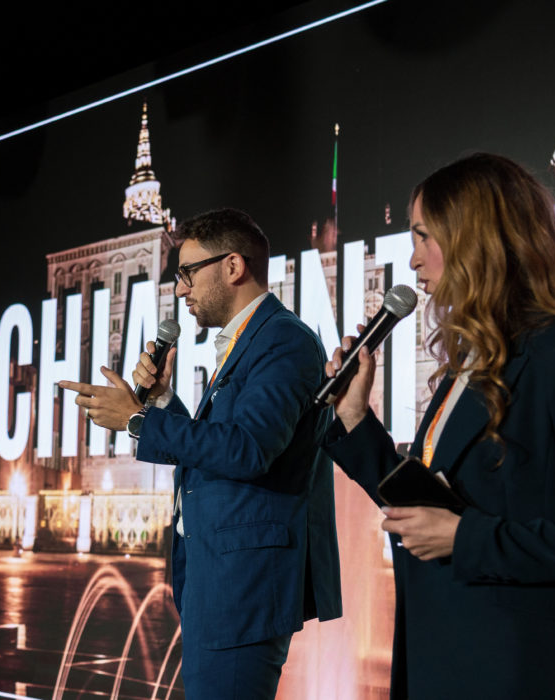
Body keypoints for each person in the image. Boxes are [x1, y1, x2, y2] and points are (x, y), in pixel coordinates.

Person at [323, 153, 555, 700]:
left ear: (475, 239)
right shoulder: (470, 360)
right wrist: (354, 416)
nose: (412, 259)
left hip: (516, 670)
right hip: (444, 659)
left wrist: (465, 538)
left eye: (423, 236)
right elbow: (427, 505)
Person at [60, 208, 342, 700]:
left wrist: (137, 420)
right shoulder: (248, 341)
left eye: (188, 273)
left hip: (243, 588)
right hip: (217, 581)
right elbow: (223, 444)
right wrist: (161, 402)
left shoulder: (283, 340)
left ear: (233, 266)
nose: (180, 290)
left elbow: (249, 449)